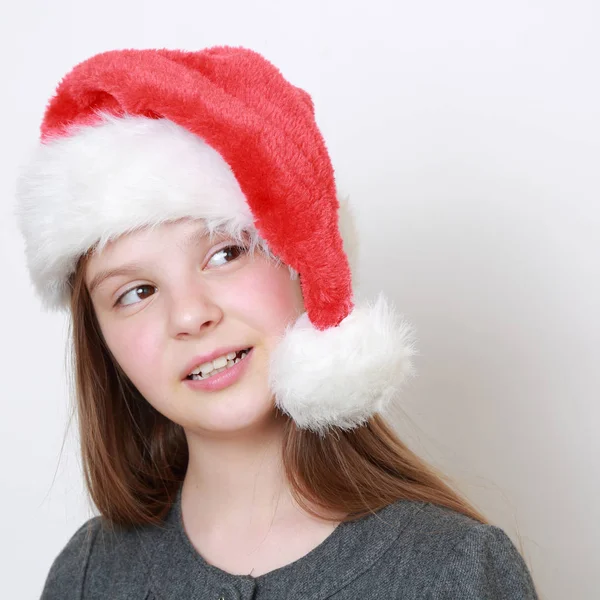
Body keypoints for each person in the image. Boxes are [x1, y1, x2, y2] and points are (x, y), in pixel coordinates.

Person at [15, 46, 539, 599]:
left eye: (225, 253)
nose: (191, 314)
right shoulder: (87, 576)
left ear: (303, 265)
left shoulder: (454, 571)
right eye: (137, 292)